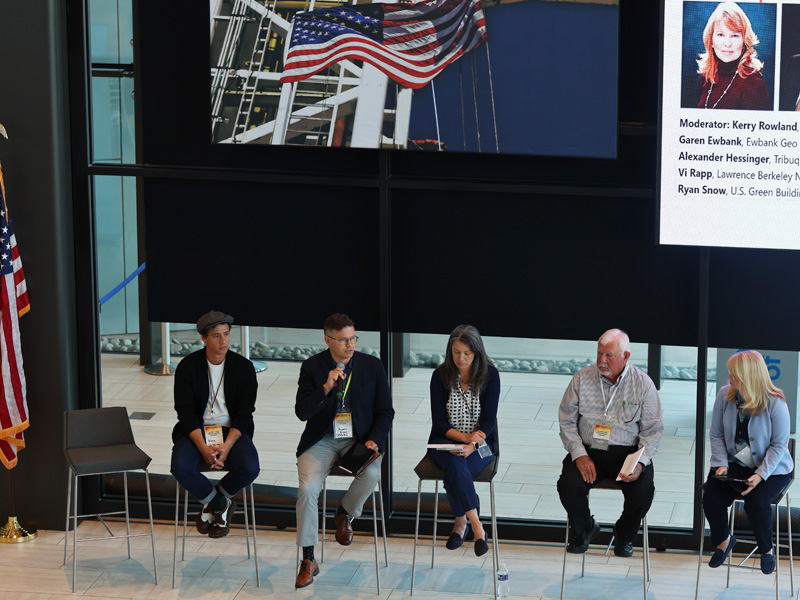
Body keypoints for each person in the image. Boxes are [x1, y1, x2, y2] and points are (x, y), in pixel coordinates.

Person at [294, 313, 394, 589]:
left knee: (371, 474)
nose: (349, 345)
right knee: (307, 490)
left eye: (352, 338)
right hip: (321, 440)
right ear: (328, 340)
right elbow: (302, 412)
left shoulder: (372, 366)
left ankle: (344, 512)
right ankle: (308, 559)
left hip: (359, 439)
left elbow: (386, 411)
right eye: (343, 340)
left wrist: (374, 440)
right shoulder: (312, 367)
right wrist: (326, 388)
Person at [557, 329, 664, 557]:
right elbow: (566, 421)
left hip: (628, 454)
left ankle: (624, 535)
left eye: (609, 355)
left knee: (643, 492)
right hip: (589, 452)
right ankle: (585, 528)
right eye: (599, 353)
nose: (602, 361)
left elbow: (653, 430)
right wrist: (579, 454)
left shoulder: (643, 384)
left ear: (626, 356)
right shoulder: (581, 379)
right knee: (567, 486)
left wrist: (640, 462)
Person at [170, 310, 260, 539]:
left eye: (227, 334)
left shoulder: (244, 367)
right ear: (204, 338)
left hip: (232, 430)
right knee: (180, 468)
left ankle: (212, 502)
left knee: (250, 468)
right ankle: (221, 504)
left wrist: (227, 446)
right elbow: (185, 413)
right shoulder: (187, 367)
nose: (224, 341)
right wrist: (203, 447)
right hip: (196, 431)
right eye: (216, 336)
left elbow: (245, 414)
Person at [701, 350, 793, 575]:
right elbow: (716, 434)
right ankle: (724, 541)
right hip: (735, 462)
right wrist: (721, 463)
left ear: (749, 377)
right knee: (711, 497)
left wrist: (760, 475)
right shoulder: (725, 395)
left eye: (734, 375)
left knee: (756, 503)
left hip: (772, 468)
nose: (729, 379)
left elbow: (779, 446)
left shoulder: (776, 402)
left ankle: (767, 550)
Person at [427, 324, 500, 557]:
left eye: (467, 353)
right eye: (456, 352)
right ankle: (477, 527)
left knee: (456, 470)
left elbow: (489, 420)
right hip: (445, 441)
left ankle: (460, 523)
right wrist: (464, 439)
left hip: (481, 443)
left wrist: (472, 444)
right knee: (456, 463)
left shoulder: (490, 375)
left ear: (477, 353)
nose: (461, 358)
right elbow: (439, 423)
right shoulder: (440, 376)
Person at [696, 2, 770, 110]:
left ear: (744, 41)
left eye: (734, 35)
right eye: (721, 34)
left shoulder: (754, 83)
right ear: (711, 39)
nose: (727, 43)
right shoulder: (707, 76)